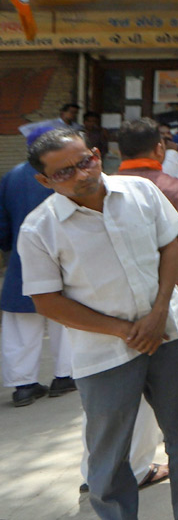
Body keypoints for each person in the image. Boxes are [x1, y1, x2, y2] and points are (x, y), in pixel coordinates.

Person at [18, 128, 178, 520]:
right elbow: (47, 300)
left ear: (97, 154)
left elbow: (171, 245)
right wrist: (123, 330)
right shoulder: (40, 229)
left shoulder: (140, 192)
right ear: (44, 180)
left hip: (169, 334)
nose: (82, 174)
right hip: (105, 354)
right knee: (110, 454)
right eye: (65, 172)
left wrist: (158, 312)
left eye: (86, 161)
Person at [1, 122, 73, 406]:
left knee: (21, 325)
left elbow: (2, 225)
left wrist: (10, 250)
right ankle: (64, 376)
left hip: (21, 262)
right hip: (64, 259)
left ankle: (24, 385)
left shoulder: (11, 176)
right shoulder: (65, 174)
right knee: (66, 320)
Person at [116, 119, 178, 302]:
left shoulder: (102, 189)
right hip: (172, 292)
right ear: (160, 150)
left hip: (119, 290)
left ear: (119, 153)